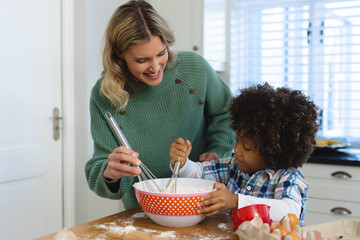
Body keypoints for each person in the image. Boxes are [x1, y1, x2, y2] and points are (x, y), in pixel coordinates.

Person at [85, 0, 235, 210]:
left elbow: (227, 114)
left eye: (161, 53)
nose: (155, 67)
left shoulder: (195, 69)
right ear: (120, 53)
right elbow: (99, 171)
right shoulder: (105, 96)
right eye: (142, 60)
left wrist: (218, 153)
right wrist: (111, 173)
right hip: (145, 210)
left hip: (205, 203)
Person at [169, 82, 319, 224]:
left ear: (273, 152)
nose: (237, 150)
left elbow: (290, 211)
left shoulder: (288, 178)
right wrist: (182, 163)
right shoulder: (232, 167)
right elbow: (197, 174)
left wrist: (235, 201)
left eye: (247, 148)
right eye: (237, 140)